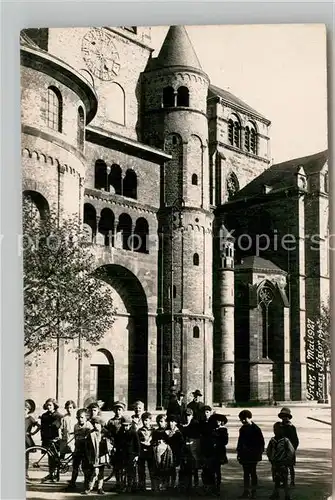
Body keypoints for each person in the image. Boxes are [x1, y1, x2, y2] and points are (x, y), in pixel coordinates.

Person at [237, 409, 265, 499]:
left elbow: (261, 443)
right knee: (245, 473)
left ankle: (253, 492)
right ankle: (246, 491)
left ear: (249, 418)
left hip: (253, 455)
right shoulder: (242, 429)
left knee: (253, 473)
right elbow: (240, 442)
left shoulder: (256, 429)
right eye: (241, 419)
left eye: (244, 419)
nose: (243, 421)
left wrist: (258, 453)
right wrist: (239, 452)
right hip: (244, 454)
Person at [66, 408, 95, 493]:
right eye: (78, 417)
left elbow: (92, 438)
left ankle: (86, 486)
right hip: (78, 449)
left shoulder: (89, 425)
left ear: (86, 418)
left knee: (86, 468)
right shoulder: (76, 426)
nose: (80, 419)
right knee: (75, 466)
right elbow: (75, 438)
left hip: (86, 450)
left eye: (82, 417)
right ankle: (72, 483)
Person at [267, 422, 295, 500]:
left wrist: (287, 460)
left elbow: (291, 451)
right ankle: (276, 494)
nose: (276, 431)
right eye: (274, 429)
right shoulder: (272, 440)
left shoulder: (286, 441)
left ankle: (287, 495)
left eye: (278, 429)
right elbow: (268, 450)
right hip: (275, 463)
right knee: (276, 480)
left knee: (285, 480)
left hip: (283, 463)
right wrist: (270, 458)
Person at [86, 402, 110, 495]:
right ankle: (90, 487)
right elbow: (88, 446)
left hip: (102, 456)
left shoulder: (105, 434)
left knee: (101, 473)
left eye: (98, 424)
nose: (96, 426)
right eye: (94, 424)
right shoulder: (91, 434)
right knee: (95, 472)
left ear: (101, 425)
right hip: (94, 455)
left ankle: (100, 488)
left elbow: (110, 443)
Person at [114, 415, 140, 493]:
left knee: (130, 471)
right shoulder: (119, 433)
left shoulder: (133, 433)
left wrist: (137, 455)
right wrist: (116, 448)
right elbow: (117, 442)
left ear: (130, 425)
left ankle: (130, 485)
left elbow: (137, 445)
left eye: (127, 425)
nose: (126, 427)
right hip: (122, 455)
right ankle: (123, 485)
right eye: (124, 425)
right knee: (122, 471)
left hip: (131, 455)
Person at [40, 398, 62, 482]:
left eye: (50, 405)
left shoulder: (58, 416)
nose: (49, 407)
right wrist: (43, 438)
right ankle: (51, 474)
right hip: (46, 438)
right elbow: (42, 428)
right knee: (50, 457)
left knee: (56, 457)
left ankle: (56, 475)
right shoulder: (44, 415)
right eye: (47, 405)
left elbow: (57, 426)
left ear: (54, 406)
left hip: (55, 438)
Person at [105, 401, 126, 490]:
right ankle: (118, 483)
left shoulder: (125, 420)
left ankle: (123, 483)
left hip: (124, 445)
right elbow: (108, 434)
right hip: (115, 445)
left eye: (120, 409)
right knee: (116, 466)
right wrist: (111, 445)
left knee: (123, 466)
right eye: (116, 409)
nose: (118, 411)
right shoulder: (111, 421)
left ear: (123, 410)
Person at [179, 407, 201, 491]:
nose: (187, 417)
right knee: (184, 468)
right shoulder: (181, 425)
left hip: (193, 448)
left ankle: (195, 484)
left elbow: (197, 437)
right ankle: (185, 485)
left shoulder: (195, 424)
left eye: (189, 415)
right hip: (184, 449)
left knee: (194, 467)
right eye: (185, 415)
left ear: (192, 416)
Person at [277, 407, 299, 487]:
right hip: (281, 449)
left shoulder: (291, 427)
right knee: (282, 466)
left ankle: (292, 481)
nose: (284, 418)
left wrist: (293, 449)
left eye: (286, 416)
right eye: (282, 416)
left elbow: (295, 440)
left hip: (290, 449)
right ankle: (283, 481)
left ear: (288, 417)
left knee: (291, 466)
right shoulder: (279, 426)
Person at [209, 414, 229, 496]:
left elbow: (225, 441)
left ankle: (217, 487)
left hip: (219, 452)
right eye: (217, 421)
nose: (218, 422)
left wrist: (218, 437)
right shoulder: (211, 429)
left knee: (217, 470)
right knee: (211, 470)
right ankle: (212, 486)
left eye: (220, 421)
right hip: (211, 452)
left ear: (222, 422)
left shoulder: (223, 430)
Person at [165, 414, 184, 489]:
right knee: (167, 468)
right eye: (169, 421)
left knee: (174, 468)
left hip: (176, 452)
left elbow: (181, 443)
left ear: (176, 422)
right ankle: (167, 483)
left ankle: (173, 484)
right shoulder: (166, 431)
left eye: (172, 421)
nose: (171, 423)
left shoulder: (178, 432)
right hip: (167, 452)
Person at [137, 411, 154, 492]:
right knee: (141, 470)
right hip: (142, 452)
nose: (145, 422)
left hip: (151, 452)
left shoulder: (153, 430)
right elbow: (137, 442)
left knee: (152, 469)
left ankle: (154, 486)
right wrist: (142, 443)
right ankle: (142, 486)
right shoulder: (139, 431)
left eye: (147, 420)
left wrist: (150, 443)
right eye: (144, 420)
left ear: (150, 420)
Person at [25, 399, 40, 480]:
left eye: (25, 409)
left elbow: (39, 426)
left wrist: (32, 433)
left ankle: (25, 474)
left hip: (26, 440)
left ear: (29, 410)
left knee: (26, 458)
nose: (23, 411)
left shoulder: (30, 418)